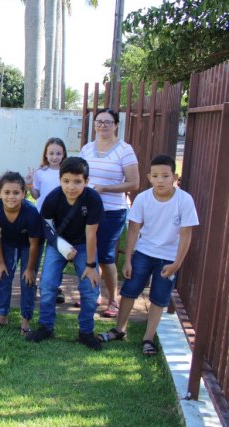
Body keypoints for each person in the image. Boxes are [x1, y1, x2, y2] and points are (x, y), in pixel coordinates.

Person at [98, 154, 198, 356]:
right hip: (144, 252)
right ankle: (119, 329)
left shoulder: (185, 200)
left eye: (165, 175)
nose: (160, 180)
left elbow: (186, 234)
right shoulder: (143, 198)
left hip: (169, 257)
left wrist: (177, 263)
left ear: (174, 177)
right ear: (149, 177)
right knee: (130, 290)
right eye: (155, 176)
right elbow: (134, 230)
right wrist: (128, 259)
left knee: (159, 297)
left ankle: (148, 338)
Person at [26, 157, 104, 350]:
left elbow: (91, 233)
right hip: (58, 243)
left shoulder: (93, 200)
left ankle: (86, 332)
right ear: (60, 180)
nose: (71, 186)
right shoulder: (52, 198)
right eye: (66, 181)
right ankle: (45, 327)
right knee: (47, 284)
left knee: (89, 289)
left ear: (86, 181)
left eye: (77, 182)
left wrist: (91, 266)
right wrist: (61, 247)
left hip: (84, 245)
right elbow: (47, 227)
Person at [80, 108, 139, 318]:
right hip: (88, 210)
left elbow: (134, 182)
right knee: (89, 252)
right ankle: (93, 293)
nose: (102, 125)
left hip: (113, 211)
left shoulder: (125, 150)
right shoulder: (87, 149)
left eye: (107, 122)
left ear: (116, 125)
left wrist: (105, 189)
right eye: (99, 122)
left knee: (105, 255)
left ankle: (113, 300)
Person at [0, 172, 43, 335]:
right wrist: (1, 263)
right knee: (4, 276)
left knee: (27, 281)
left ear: (24, 194)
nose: (11, 197)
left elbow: (34, 244)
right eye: (7, 192)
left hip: (30, 246)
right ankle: (2, 315)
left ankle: (25, 320)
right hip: (8, 242)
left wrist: (30, 269)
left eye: (16, 193)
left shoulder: (31, 213)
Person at [28, 137, 68, 304]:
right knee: (36, 250)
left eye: (58, 153)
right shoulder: (40, 172)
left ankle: (55, 286)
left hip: (60, 219)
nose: (54, 156)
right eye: (51, 153)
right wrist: (30, 184)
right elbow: (36, 195)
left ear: (64, 154)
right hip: (41, 218)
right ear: (46, 154)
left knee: (57, 253)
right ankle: (32, 285)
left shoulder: (66, 173)